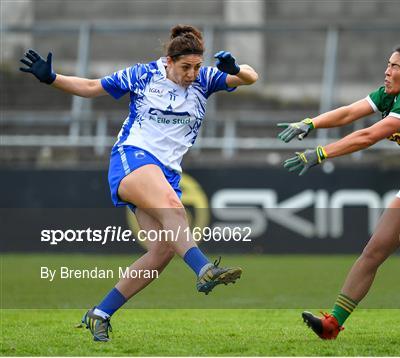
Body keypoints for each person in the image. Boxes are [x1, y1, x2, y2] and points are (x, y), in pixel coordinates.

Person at [19, 24, 258, 342]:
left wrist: (236, 70)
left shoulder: (205, 79)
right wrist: (52, 78)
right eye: (185, 67)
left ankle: (100, 313)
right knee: (173, 207)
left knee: (161, 251)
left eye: (197, 67)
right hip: (133, 158)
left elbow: (251, 77)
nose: (192, 73)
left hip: (166, 173)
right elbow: (91, 86)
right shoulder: (143, 75)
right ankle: (204, 269)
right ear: (169, 61)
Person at [278, 44, 400, 338]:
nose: (387, 71)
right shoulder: (391, 94)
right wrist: (310, 122)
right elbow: (350, 113)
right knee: (374, 250)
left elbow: (369, 135)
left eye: (395, 66)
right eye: (388, 64)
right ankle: (332, 324)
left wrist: (321, 153)